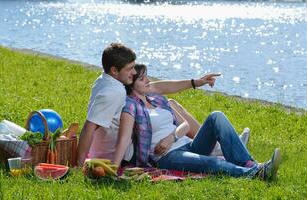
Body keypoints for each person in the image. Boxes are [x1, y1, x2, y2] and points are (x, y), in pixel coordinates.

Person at [113, 64, 282, 181]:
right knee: (214, 163)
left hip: (186, 144)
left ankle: (250, 164)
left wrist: (172, 136)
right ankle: (257, 174)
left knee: (217, 116)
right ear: (131, 85)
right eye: (142, 79)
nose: (148, 81)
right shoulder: (131, 106)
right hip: (166, 156)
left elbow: (185, 124)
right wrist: (113, 168)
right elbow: (123, 137)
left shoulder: (157, 99)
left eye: (147, 77)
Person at [77, 43, 220, 166]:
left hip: (113, 149)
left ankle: (216, 147)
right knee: (164, 110)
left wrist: (195, 82)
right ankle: (214, 148)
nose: (133, 71)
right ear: (114, 70)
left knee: (170, 103)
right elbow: (89, 127)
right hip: (124, 155)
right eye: (129, 69)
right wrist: (79, 164)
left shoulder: (104, 79)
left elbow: (157, 88)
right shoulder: (114, 92)